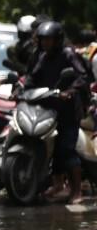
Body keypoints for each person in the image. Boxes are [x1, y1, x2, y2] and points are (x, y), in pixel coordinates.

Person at [25, 20, 89, 204]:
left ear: (58, 39)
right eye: (43, 39)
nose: (45, 43)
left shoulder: (68, 54)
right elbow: (33, 76)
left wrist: (70, 91)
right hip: (50, 106)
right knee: (51, 147)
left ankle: (77, 191)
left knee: (66, 149)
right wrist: (22, 88)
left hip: (69, 109)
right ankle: (57, 184)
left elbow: (82, 76)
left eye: (49, 40)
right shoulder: (43, 57)